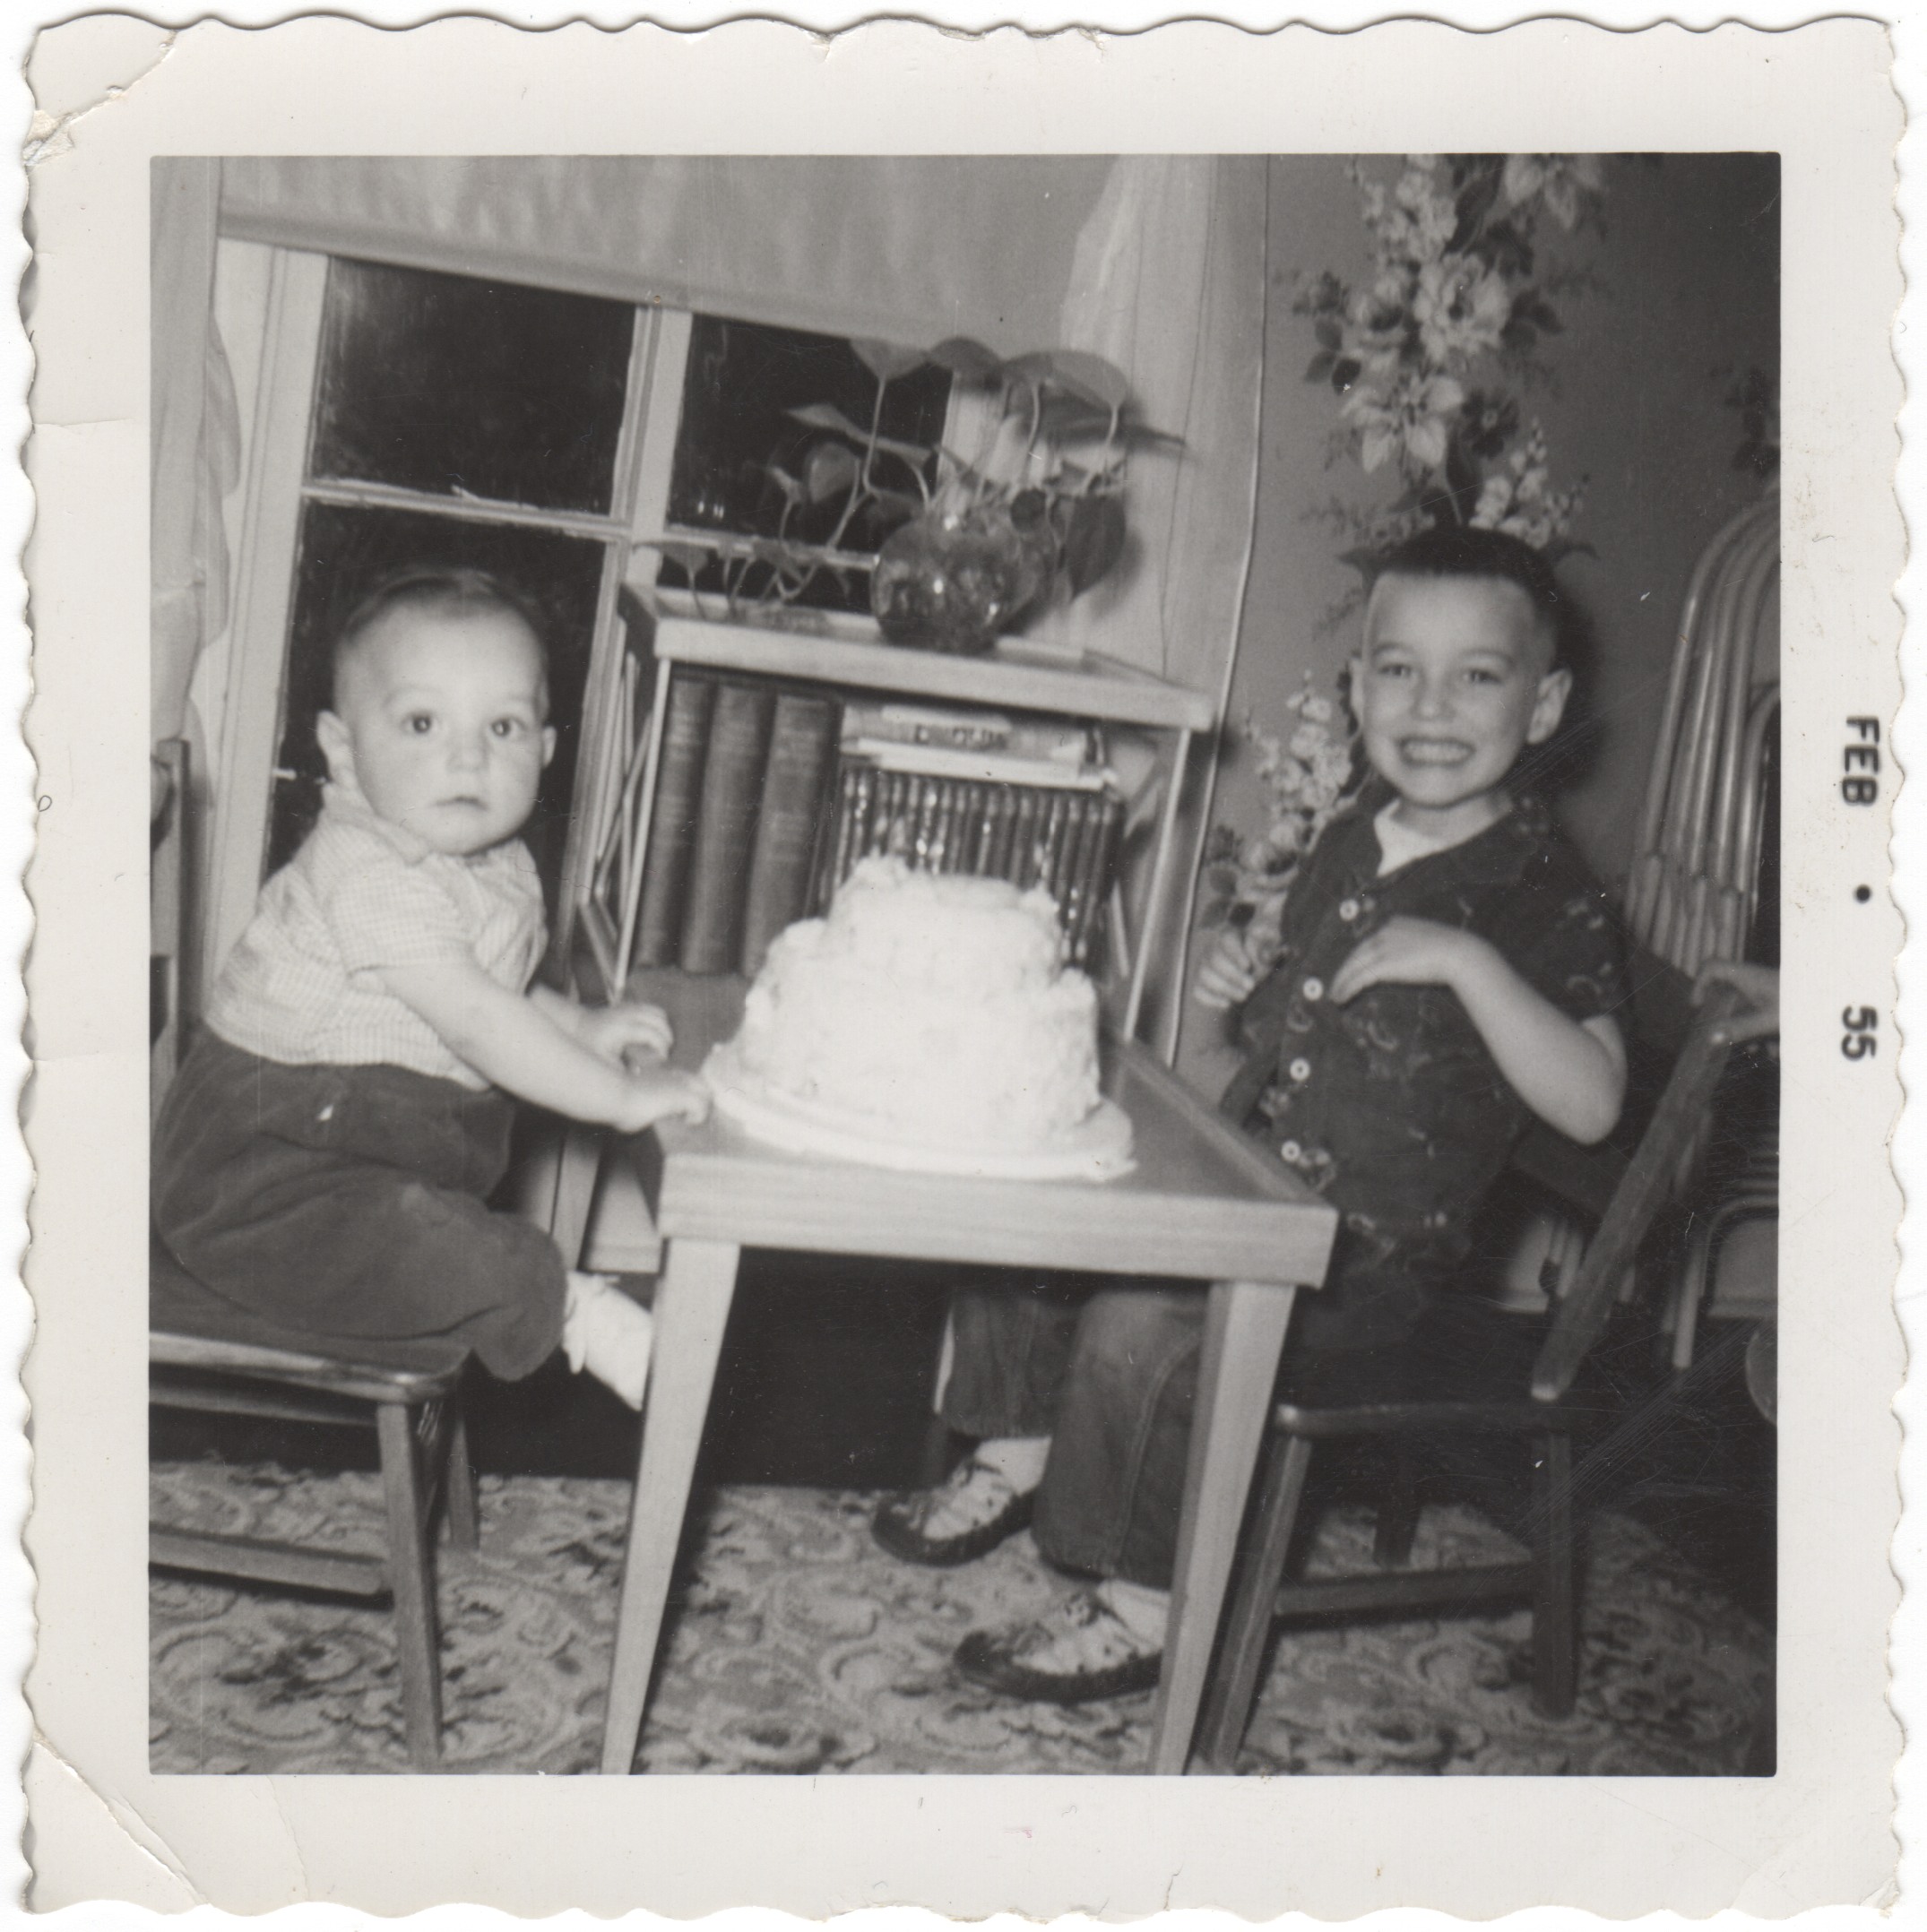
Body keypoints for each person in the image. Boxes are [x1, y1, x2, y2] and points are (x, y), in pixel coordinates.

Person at [871, 525, 1629, 1703]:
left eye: (1477, 675)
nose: (1430, 705)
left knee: (1143, 1321)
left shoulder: (1543, 891)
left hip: (1361, 1263)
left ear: (1542, 706)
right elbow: (1313, 992)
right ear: (1357, 688)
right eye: (1396, 668)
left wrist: (1470, 966)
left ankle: (1144, 1599)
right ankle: (1016, 1444)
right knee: (1039, 1185)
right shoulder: (1355, 826)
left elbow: (1590, 1104)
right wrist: (1250, 964)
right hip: (1249, 1175)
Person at [153, 567, 709, 1406]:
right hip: (258, 1175)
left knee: (419, 1224)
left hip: (366, 1147)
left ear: (545, 751)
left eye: (503, 726)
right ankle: (567, 1305)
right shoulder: (367, 871)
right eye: (422, 722)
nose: (467, 756)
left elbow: (493, 984)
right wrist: (620, 1100)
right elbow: (476, 1017)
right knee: (429, 1242)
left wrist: (578, 1027)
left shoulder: (487, 861)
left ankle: (495, 1277)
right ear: (343, 748)